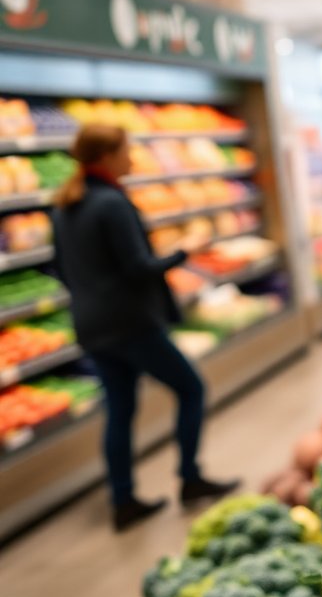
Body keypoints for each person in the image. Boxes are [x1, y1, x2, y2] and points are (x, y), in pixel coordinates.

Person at [51, 124, 237, 531]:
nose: (132, 157)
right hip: (130, 323)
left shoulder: (65, 205)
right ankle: (190, 478)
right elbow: (139, 269)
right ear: (106, 156)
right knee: (191, 388)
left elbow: (61, 269)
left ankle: (123, 501)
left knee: (120, 410)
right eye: (126, 150)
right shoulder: (112, 203)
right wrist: (186, 251)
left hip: (91, 325)